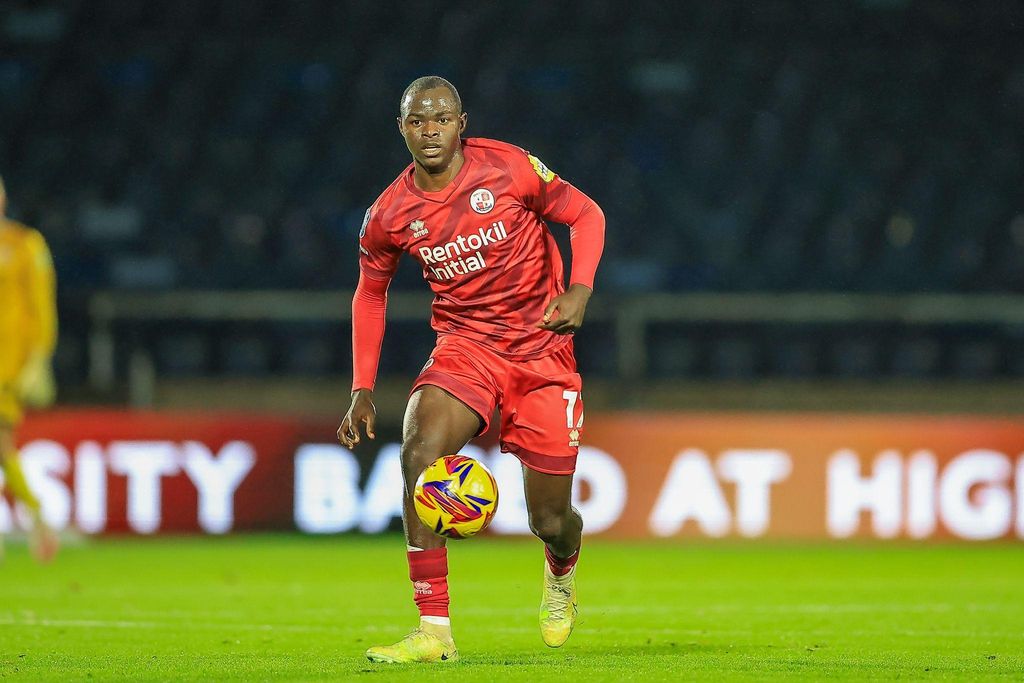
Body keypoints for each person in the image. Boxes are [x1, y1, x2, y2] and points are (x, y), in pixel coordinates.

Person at [338, 76, 605, 663]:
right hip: (467, 348)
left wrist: (581, 289)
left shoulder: (508, 169)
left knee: (550, 518)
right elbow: (370, 294)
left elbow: (586, 214)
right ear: (402, 128)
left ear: (462, 123)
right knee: (418, 454)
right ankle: (435, 631)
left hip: (542, 353)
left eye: (440, 118)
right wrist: (361, 388)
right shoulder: (388, 213)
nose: (429, 130)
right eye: (416, 120)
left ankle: (561, 572)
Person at [0, 176, 59, 562]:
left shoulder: (24, 244)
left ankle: (38, 516)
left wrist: (39, 359)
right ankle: (37, 517)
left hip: (8, 362)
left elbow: (42, 303)